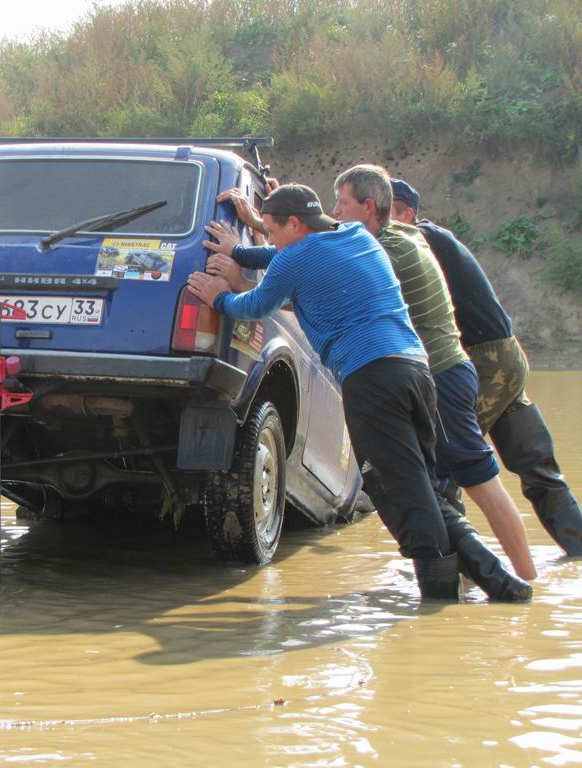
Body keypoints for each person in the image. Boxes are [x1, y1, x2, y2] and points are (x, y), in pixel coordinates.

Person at [191, 183, 530, 602]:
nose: (270, 238)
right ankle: (499, 584)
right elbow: (283, 257)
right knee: (421, 488)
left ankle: (447, 597)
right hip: (417, 372)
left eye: (273, 230)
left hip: (372, 378)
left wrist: (220, 298)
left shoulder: (295, 258)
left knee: (394, 491)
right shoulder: (355, 235)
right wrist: (242, 252)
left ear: (295, 224)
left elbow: (257, 304)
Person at [323, 165, 536, 580]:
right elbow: (327, 234)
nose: (336, 211)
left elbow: (321, 273)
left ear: (369, 207)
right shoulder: (402, 234)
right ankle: (466, 582)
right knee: (438, 484)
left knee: (480, 482)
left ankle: (526, 580)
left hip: (442, 376)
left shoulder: (385, 254)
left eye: (342, 203)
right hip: (441, 374)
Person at [391, 178, 582, 555]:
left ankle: (458, 568)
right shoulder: (437, 238)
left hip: (481, 361)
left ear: (407, 214)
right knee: (538, 467)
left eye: (388, 210)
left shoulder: (417, 238)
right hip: (507, 357)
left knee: (441, 466)